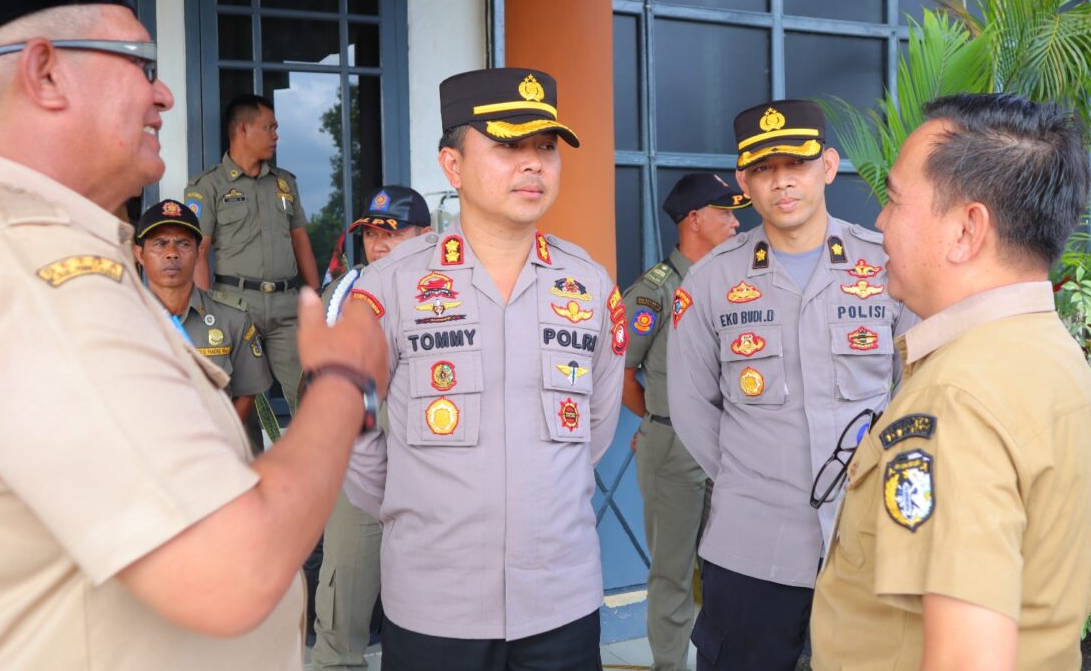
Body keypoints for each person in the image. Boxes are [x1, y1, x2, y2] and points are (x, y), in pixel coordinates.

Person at [0, 0, 387, 669]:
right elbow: (232, 570)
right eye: (139, 62)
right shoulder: (37, 275)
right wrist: (343, 379)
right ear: (44, 72)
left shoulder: (46, 250)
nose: (163, 95)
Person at [341, 68, 626, 670]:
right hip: (434, 605)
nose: (533, 165)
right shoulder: (390, 286)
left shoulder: (589, 285)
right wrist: (420, 512)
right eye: (507, 146)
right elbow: (353, 433)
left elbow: (593, 431)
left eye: (545, 148)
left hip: (560, 602)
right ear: (453, 166)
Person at [810, 93, 1091, 670]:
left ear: (967, 229)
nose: (879, 221)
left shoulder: (957, 399)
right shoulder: (1048, 350)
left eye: (895, 200)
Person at [667, 99, 915, 670]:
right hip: (754, 545)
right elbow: (690, 406)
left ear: (827, 166)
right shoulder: (710, 281)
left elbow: (916, 390)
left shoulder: (886, 267)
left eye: (796, 165)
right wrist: (754, 479)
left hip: (871, 538)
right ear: (743, 181)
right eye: (762, 170)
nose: (782, 182)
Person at [621, 173, 748, 671]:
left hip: (729, 447)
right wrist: (658, 419)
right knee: (673, 572)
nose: (737, 223)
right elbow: (620, 373)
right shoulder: (655, 292)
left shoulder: (732, 285)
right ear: (695, 221)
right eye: (726, 213)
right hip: (673, 448)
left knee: (727, 570)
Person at [313, 185, 432, 670]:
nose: (379, 243)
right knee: (341, 615)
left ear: (427, 236)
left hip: (430, 478)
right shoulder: (340, 295)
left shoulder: (458, 293)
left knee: (436, 621)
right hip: (359, 476)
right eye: (371, 233)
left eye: (394, 232)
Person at [185, 93, 320, 412]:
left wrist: (315, 296)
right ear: (242, 130)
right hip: (235, 305)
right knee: (238, 402)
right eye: (269, 127)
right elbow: (199, 252)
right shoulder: (209, 186)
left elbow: (300, 240)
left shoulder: (284, 183)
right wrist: (206, 314)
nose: (276, 135)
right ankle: (247, 462)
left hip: (287, 307)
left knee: (306, 395)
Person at [133, 198, 273, 453]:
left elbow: (246, 393)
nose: (172, 252)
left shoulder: (232, 317)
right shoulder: (124, 319)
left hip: (222, 458)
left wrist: (215, 444)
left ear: (198, 254)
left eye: (183, 244)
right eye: (160, 244)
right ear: (139, 255)